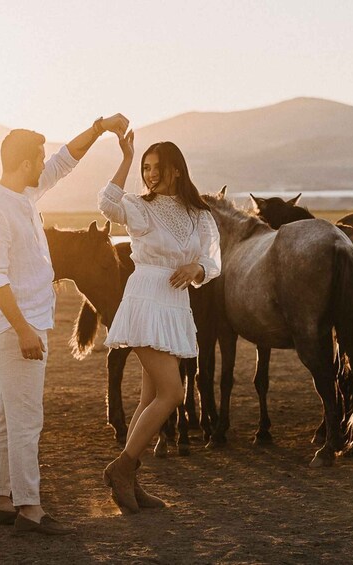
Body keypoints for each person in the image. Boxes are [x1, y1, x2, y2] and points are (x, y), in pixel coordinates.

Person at [0, 114, 129, 535]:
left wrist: (99, 129)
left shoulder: (23, 195)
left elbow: (66, 160)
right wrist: (24, 330)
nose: (45, 164)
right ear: (25, 163)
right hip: (15, 327)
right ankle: (29, 508)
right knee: (28, 420)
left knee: (10, 416)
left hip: (26, 322)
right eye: (39, 158)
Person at [97, 132, 221, 513]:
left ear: (176, 171)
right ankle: (122, 468)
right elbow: (106, 203)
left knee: (150, 398)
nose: (149, 174)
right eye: (144, 167)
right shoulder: (138, 206)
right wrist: (126, 156)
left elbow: (214, 261)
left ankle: (129, 481)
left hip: (174, 305)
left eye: (156, 167)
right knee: (173, 394)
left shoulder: (200, 215)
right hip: (146, 299)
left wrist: (197, 266)